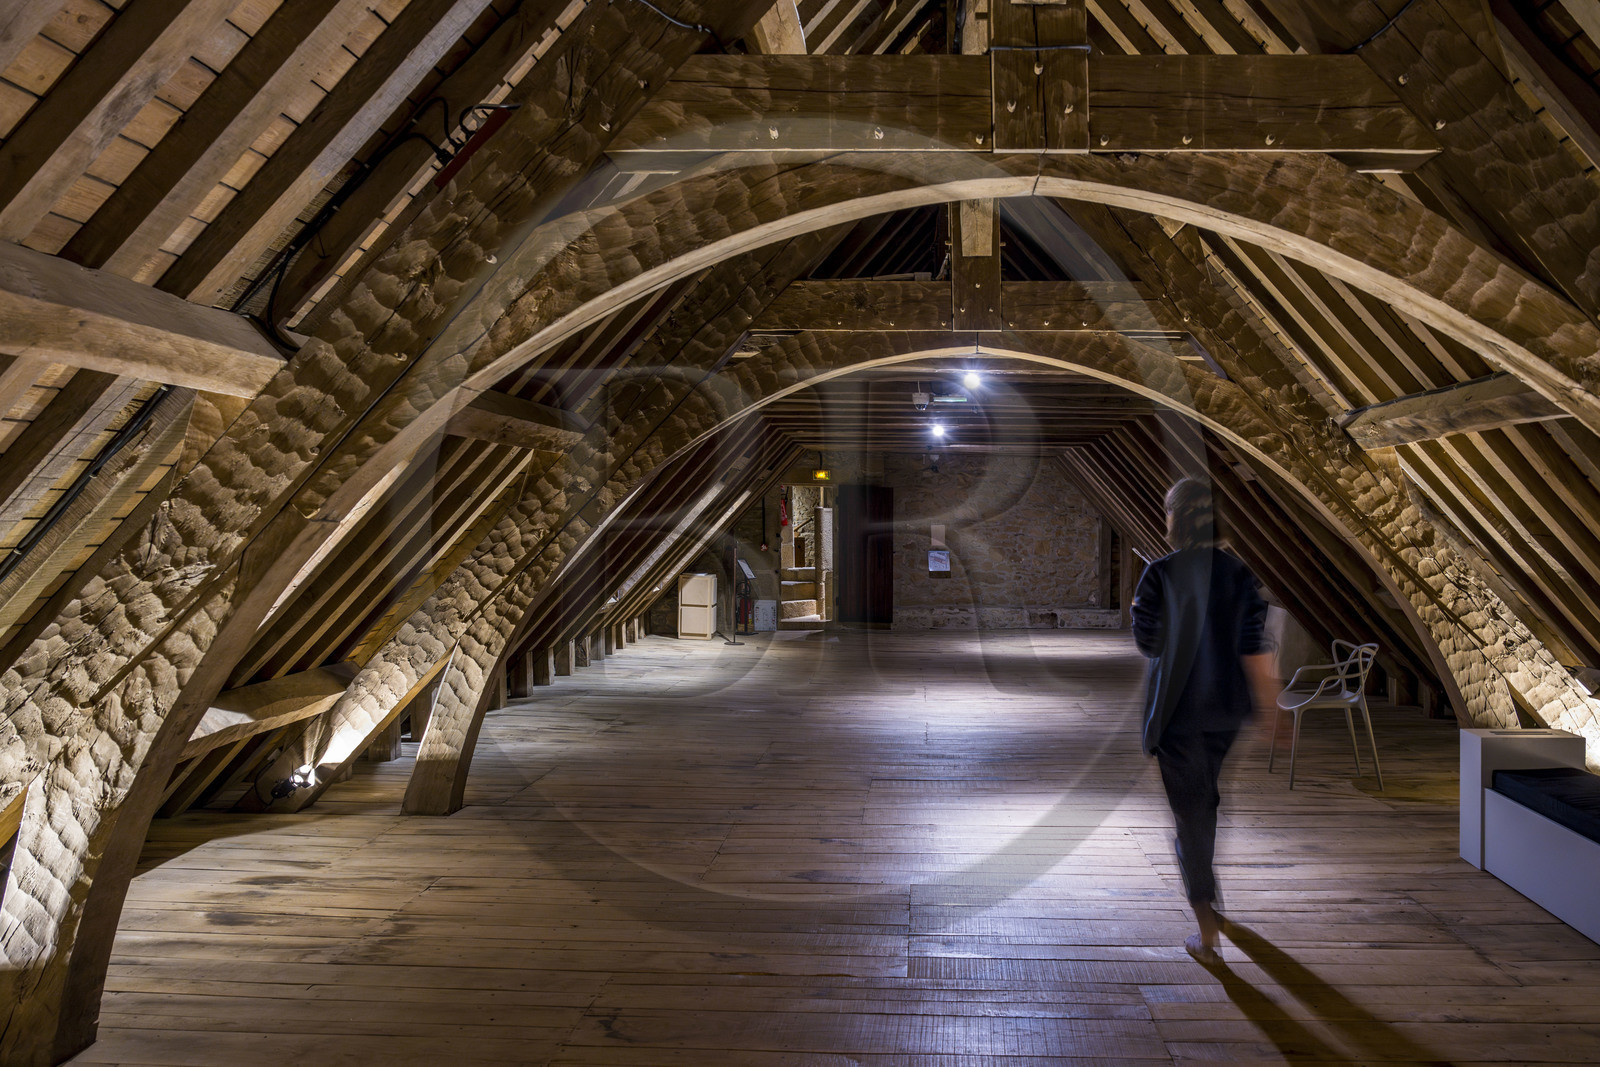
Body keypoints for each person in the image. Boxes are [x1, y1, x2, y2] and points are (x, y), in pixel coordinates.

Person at [1131, 478, 1276, 965]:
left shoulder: (1159, 573)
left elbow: (1148, 642)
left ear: (1173, 519)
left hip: (1177, 712)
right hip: (1226, 711)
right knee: (1206, 799)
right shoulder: (1239, 573)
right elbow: (1253, 643)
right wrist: (1272, 706)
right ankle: (1210, 895)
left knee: (1191, 814)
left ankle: (1206, 928)